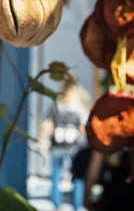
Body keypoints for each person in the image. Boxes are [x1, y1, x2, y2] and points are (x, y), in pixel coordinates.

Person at [38, 74, 91, 210]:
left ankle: (57, 205)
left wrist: (43, 140)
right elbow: (84, 127)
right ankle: (77, 205)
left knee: (56, 176)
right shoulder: (80, 104)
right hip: (75, 146)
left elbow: (49, 124)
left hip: (58, 145)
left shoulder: (57, 102)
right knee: (77, 176)